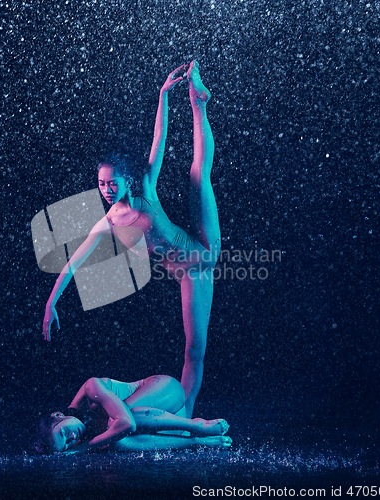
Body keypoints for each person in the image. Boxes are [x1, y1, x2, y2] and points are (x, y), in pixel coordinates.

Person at [43, 61, 220, 418]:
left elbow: (160, 139)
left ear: (126, 179)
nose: (107, 190)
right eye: (101, 184)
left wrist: (163, 97)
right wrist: (51, 303)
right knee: (191, 351)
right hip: (186, 271)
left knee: (198, 174)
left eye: (112, 183)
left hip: (202, 259)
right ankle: (183, 416)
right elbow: (75, 260)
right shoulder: (108, 221)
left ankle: (197, 101)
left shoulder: (147, 193)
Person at [32, 374, 231, 454]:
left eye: (64, 434)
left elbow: (127, 424)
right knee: (117, 442)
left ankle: (198, 426)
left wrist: (82, 448)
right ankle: (197, 442)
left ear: (58, 415)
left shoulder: (90, 389)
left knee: (119, 421)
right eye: (68, 444)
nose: (73, 438)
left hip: (167, 391)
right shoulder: (82, 436)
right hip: (167, 422)